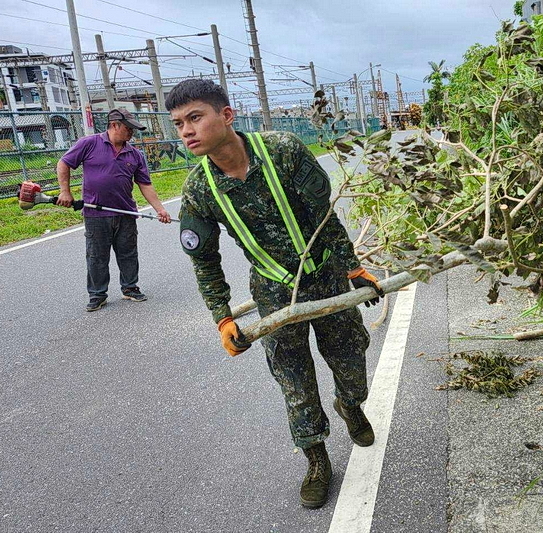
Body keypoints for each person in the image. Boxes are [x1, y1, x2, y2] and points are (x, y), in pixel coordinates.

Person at [167, 79, 384, 509]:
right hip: (273, 292)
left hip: (325, 278)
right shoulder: (198, 190)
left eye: (195, 117)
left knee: (352, 362)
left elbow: (324, 214)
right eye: (178, 124)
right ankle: (317, 459)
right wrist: (223, 317)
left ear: (226, 116)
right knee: (295, 383)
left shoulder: (283, 150)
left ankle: (349, 405)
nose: (186, 131)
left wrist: (352, 267)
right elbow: (204, 260)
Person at [57, 108, 171, 312]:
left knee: (128, 253)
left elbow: (145, 184)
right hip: (96, 213)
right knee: (96, 255)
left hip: (126, 212)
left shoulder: (135, 154)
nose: (132, 133)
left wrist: (159, 209)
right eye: (129, 128)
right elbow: (64, 163)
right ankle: (97, 294)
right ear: (114, 125)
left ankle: (130, 288)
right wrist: (65, 192)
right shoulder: (89, 143)